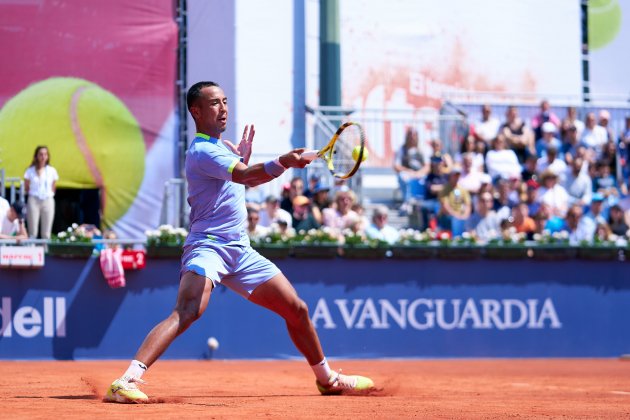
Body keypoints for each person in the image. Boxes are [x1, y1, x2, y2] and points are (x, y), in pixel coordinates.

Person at [104, 81, 374, 403]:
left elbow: (246, 179)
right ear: (196, 111)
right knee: (189, 310)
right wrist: (284, 161)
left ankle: (327, 378)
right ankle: (127, 380)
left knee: (297, 310)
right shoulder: (203, 150)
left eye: (225, 101)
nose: (223, 109)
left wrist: (255, 161)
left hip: (240, 251)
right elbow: (247, 176)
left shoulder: (223, 150)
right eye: (215, 103)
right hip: (208, 246)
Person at [24, 145, 59, 239]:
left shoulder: (52, 170)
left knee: (46, 232)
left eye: (45, 154)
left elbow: (53, 186)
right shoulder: (30, 171)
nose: (43, 157)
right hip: (34, 199)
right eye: (41, 154)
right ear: (36, 156)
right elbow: (26, 186)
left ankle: (45, 252)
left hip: (47, 200)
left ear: (48, 156)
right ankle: (31, 250)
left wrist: (48, 194)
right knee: (33, 231)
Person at [394, 127, 428, 211]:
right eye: (410, 135)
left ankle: (418, 201)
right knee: (403, 177)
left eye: (414, 135)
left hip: (420, 173)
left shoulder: (422, 149)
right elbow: (396, 166)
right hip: (407, 173)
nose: (412, 137)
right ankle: (407, 202)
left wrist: (419, 173)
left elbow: (427, 166)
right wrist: (408, 171)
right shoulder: (402, 149)